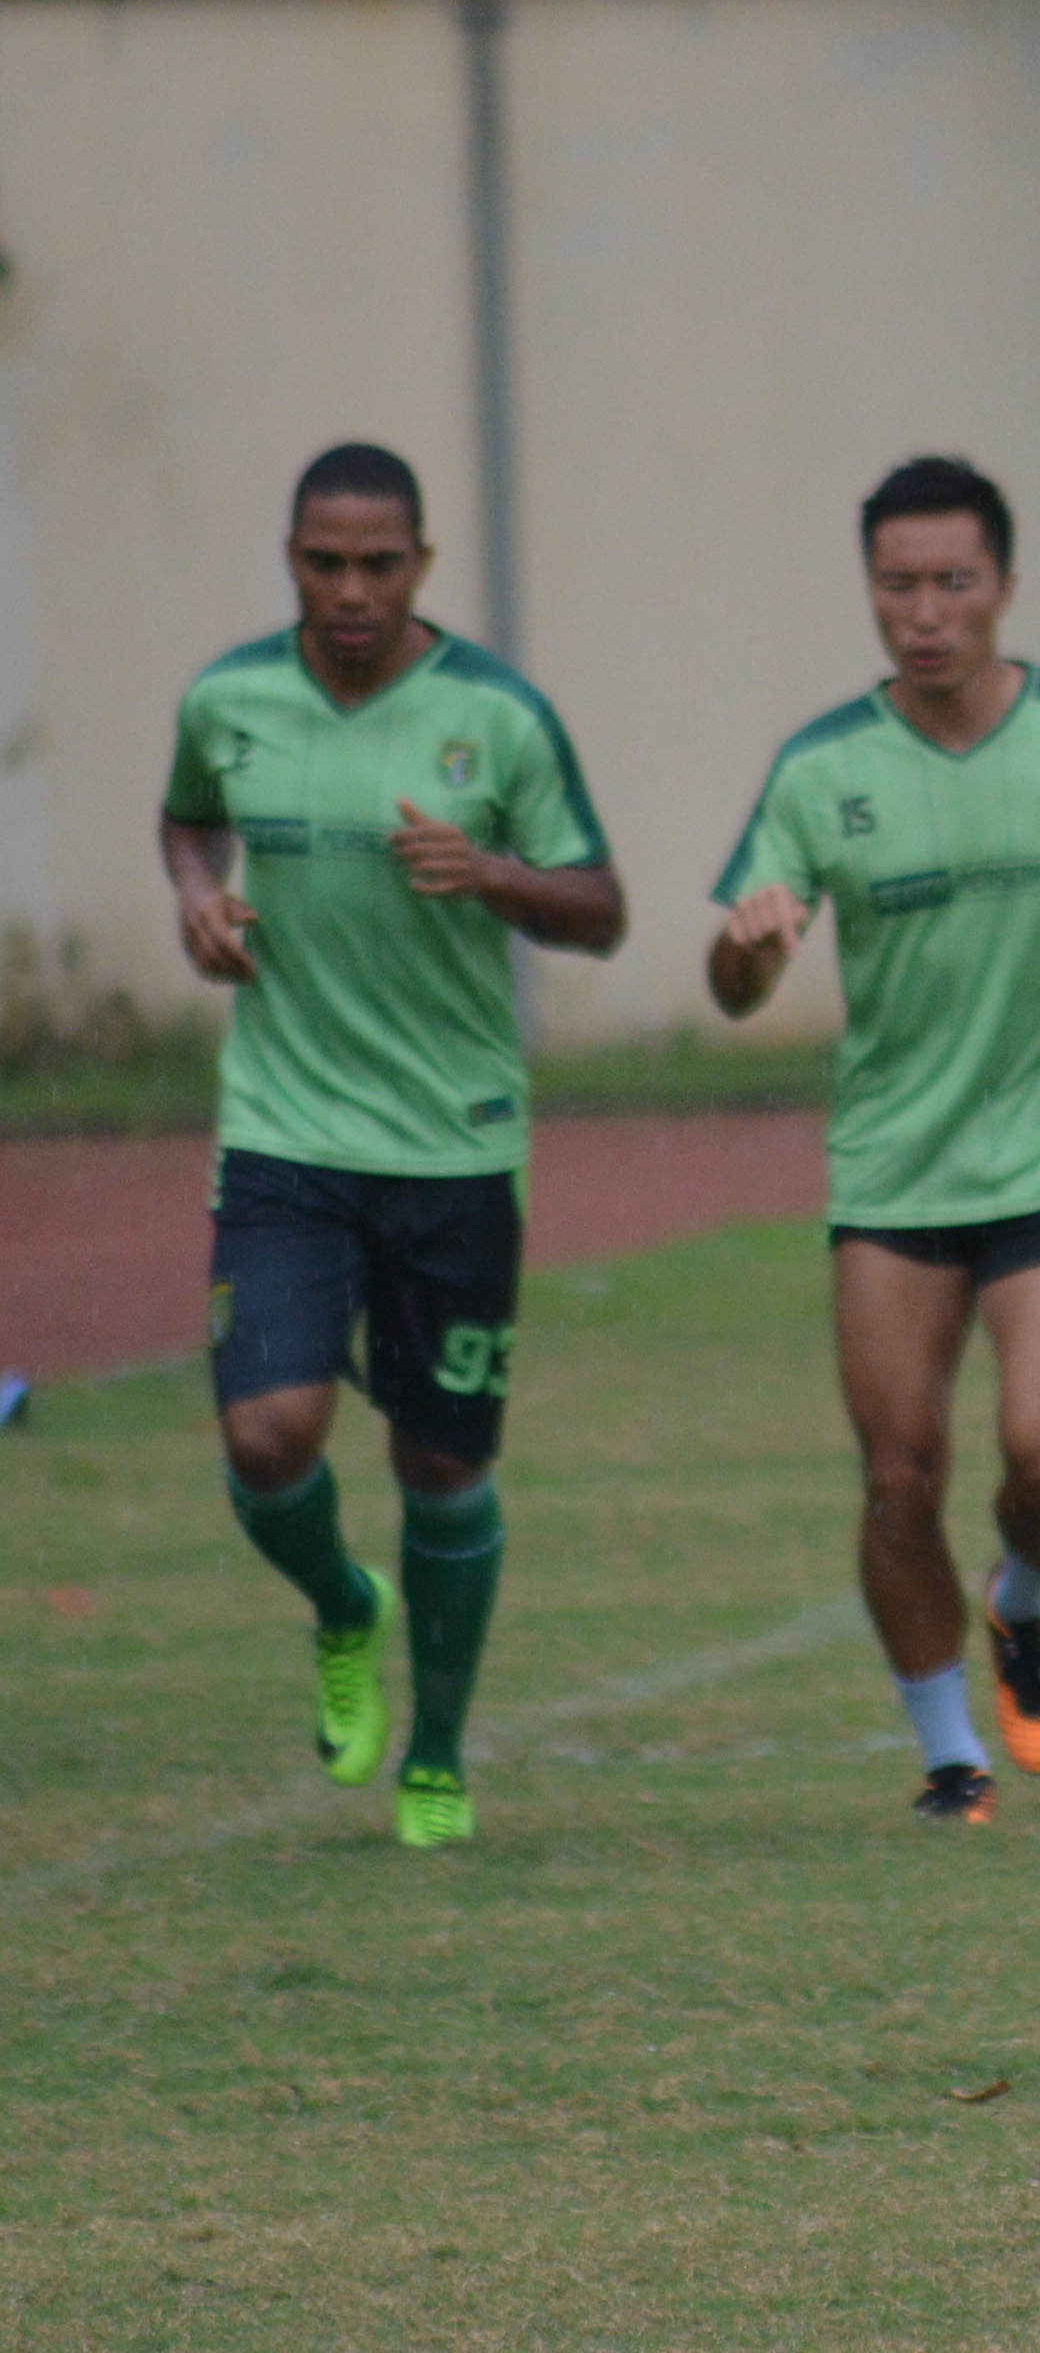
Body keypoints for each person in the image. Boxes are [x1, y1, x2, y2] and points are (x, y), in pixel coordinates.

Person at [708, 457, 1040, 1827]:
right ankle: (949, 1759)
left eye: (953, 584)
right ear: (869, 591)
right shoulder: (822, 767)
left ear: (1005, 589)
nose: (924, 613)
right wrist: (744, 958)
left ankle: (1025, 1604)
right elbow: (737, 970)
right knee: (898, 1471)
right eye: (897, 585)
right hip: (894, 1164)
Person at [159, 442, 627, 1848]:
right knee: (266, 1434)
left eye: (377, 564)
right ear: (291, 559)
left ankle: (435, 1748)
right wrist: (199, 895)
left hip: (454, 1145)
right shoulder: (229, 700)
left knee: (439, 1468)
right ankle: (341, 1606)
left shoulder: (498, 717)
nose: (349, 591)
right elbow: (187, 821)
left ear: (421, 564)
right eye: (322, 562)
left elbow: (600, 908)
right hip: (285, 1135)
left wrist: (489, 872)